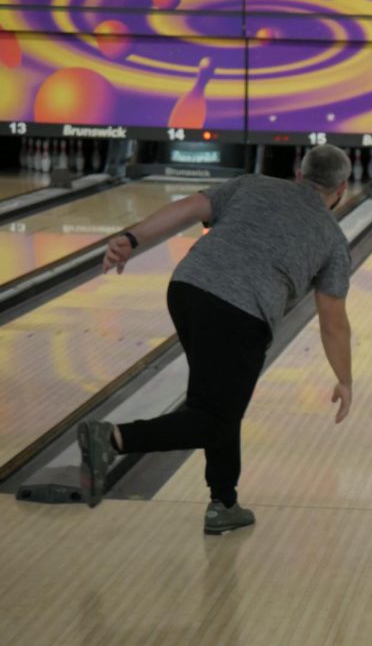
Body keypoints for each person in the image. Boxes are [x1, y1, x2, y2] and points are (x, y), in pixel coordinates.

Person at [78, 144, 353, 534]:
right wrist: (345, 379)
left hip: (188, 288)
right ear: (342, 188)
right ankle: (114, 438)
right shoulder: (332, 239)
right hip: (240, 313)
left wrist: (130, 239)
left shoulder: (252, 184)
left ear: (298, 173)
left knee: (218, 405)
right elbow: (333, 323)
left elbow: (187, 209)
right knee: (216, 420)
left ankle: (223, 502)